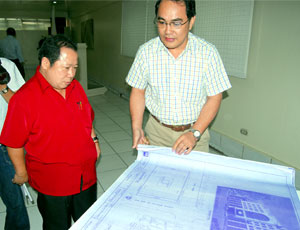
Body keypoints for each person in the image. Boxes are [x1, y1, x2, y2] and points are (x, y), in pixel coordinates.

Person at [0, 35, 101, 230]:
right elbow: (13, 142)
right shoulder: (24, 99)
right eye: (66, 68)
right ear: (45, 63)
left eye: (75, 68)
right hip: (54, 184)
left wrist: (94, 141)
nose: (72, 74)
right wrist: (21, 172)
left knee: (88, 223)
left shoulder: (75, 87)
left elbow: (87, 118)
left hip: (86, 176)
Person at [126, 0, 231, 155]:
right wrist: (137, 127)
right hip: (156, 133)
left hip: (195, 134)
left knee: (194, 178)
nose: (167, 31)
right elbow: (138, 92)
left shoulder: (207, 53)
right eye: (162, 22)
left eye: (176, 23)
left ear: (191, 21)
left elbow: (215, 97)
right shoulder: (146, 52)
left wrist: (195, 133)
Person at [0, 58, 30, 230]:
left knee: (15, 203)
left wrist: (3, 88)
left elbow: (23, 106)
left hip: (3, 149)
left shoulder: (6, 66)